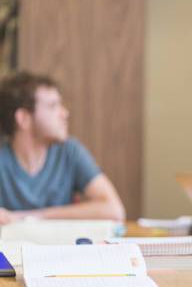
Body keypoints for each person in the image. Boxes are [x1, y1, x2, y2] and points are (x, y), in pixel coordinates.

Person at [0, 71, 125, 224]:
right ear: (23, 118)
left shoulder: (70, 151)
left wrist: (27, 217)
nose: (65, 113)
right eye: (53, 106)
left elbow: (114, 211)